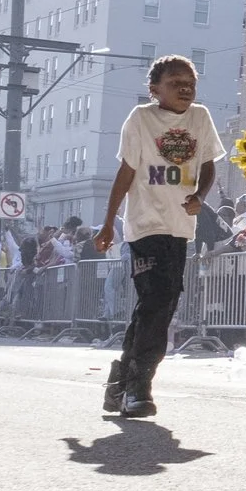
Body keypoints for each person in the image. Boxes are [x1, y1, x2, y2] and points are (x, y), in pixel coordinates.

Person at [95, 55, 224, 418]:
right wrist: (108, 223)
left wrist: (199, 196)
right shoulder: (141, 119)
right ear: (154, 89)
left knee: (160, 304)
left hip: (180, 227)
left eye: (190, 83)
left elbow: (210, 164)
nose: (185, 88)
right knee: (157, 298)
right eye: (175, 83)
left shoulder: (200, 117)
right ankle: (138, 388)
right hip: (144, 224)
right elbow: (126, 171)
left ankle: (121, 381)